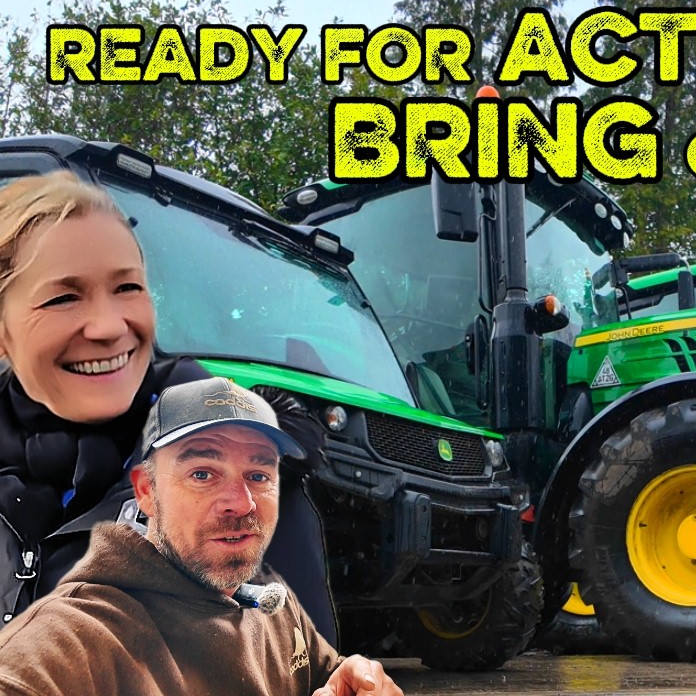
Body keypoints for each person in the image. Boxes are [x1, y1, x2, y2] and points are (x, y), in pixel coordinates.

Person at [0, 171, 337, 642]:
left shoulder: (233, 457)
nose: (107, 326)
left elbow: (304, 662)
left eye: (127, 288)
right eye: (63, 297)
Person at [0, 377, 402, 695]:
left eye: (258, 475)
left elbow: (326, 674)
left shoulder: (273, 604)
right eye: (203, 474)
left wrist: (353, 678)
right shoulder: (77, 641)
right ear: (145, 492)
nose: (241, 504)